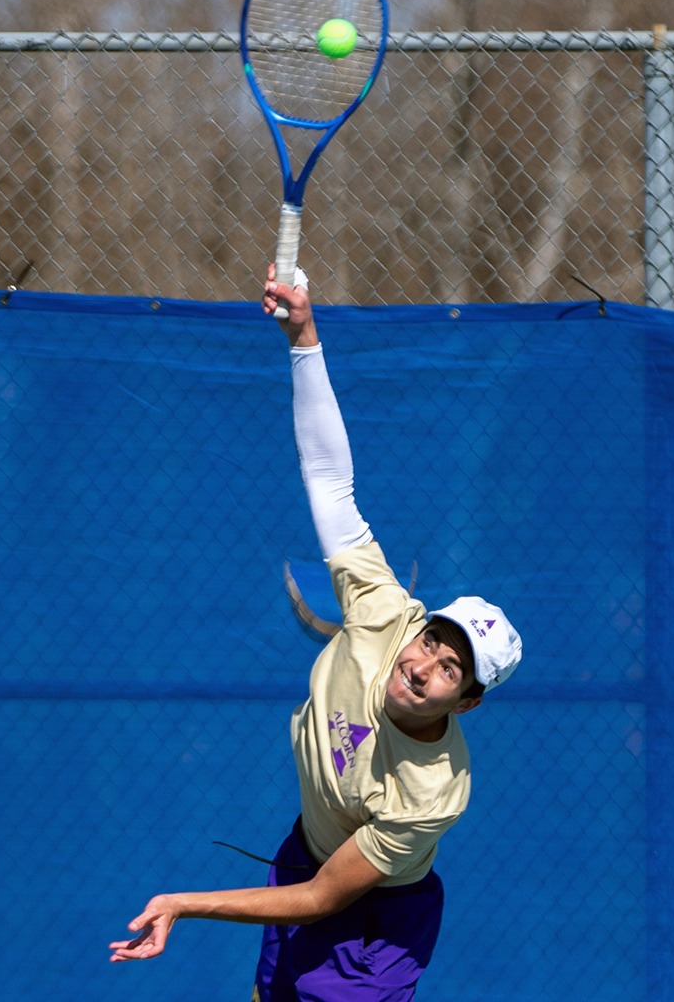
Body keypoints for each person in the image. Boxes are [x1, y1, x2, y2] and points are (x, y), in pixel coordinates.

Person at [109, 265, 523, 1000]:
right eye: (434, 639)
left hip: (375, 922)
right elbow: (330, 481)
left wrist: (184, 902)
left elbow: (325, 901)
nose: (426, 663)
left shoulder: (432, 791)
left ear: (466, 704)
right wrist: (303, 336)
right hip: (304, 858)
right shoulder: (379, 611)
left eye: (453, 669)